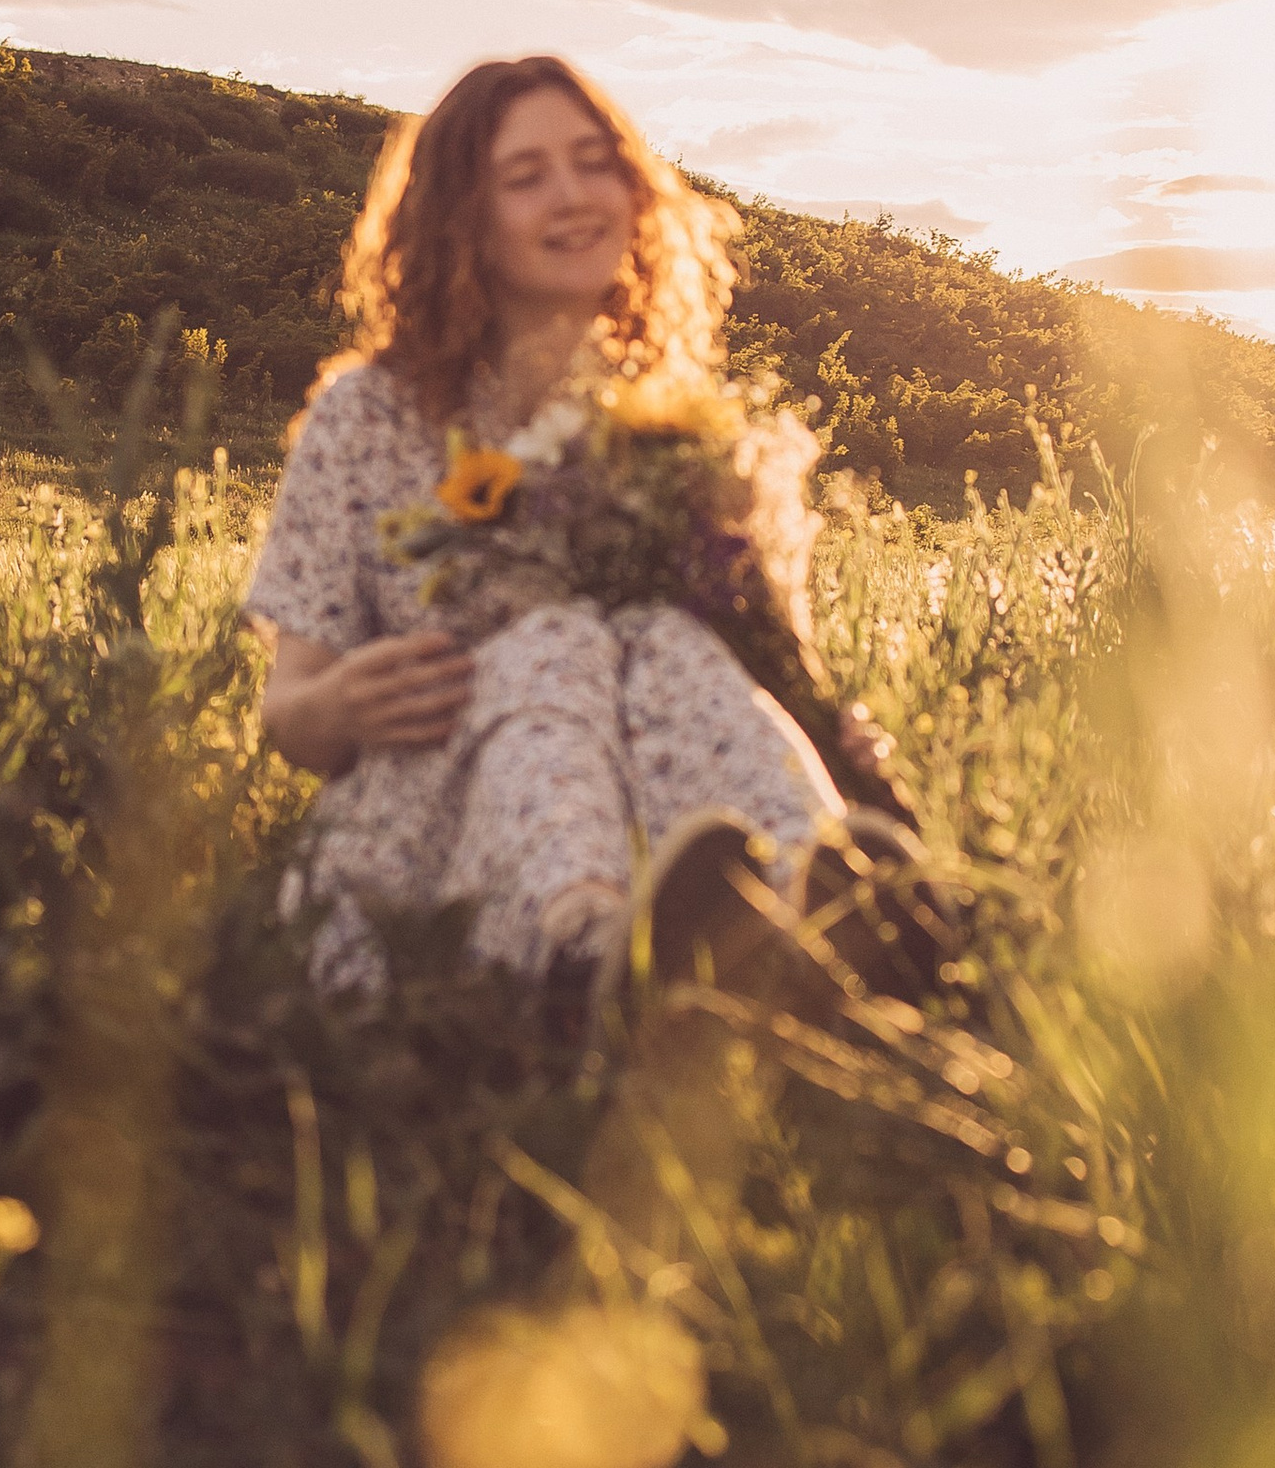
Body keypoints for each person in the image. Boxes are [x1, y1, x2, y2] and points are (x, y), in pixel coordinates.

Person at [243, 53, 877, 1006]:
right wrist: (336, 709)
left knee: (669, 647)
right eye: (526, 176)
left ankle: (827, 913)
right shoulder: (368, 419)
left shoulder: (668, 430)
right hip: (435, 824)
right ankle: (581, 957)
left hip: (666, 808)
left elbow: (764, 663)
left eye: (594, 162)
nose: (574, 197)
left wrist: (832, 729)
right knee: (552, 642)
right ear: (464, 216)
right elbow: (290, 709)